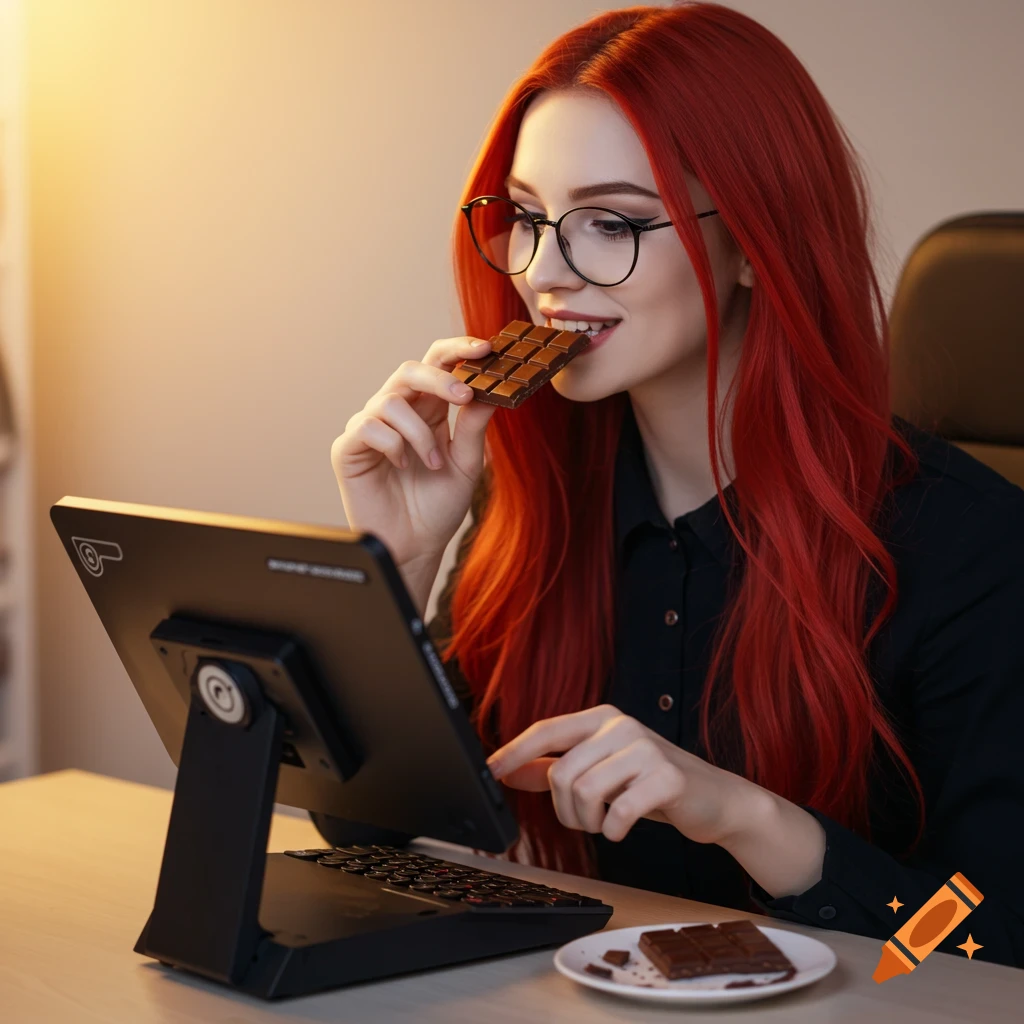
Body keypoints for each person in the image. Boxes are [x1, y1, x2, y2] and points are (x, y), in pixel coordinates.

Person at [327, 2, 1024, 968]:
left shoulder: (967, 545)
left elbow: (993, 945)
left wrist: (744, 818)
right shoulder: (531, 500)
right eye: (527, 217)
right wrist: (395, 567)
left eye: (611, 221)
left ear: (753, 242)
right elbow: (374, 845)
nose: (544, 272)